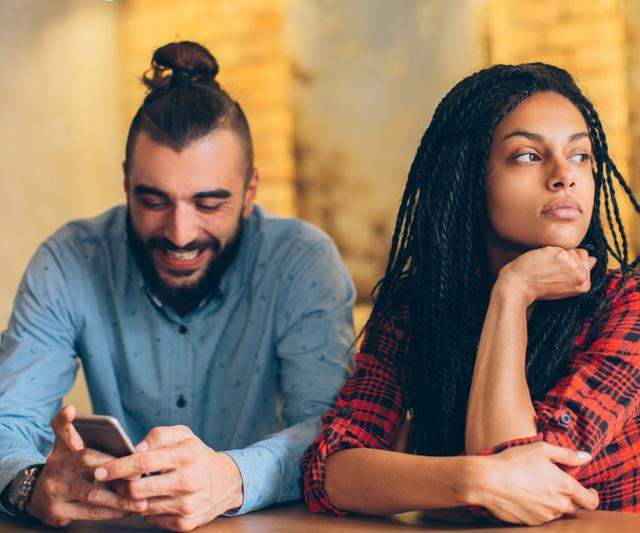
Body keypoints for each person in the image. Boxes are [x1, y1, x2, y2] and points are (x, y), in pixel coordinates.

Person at [0, 41, 355, 531]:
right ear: (126, 185)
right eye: (153, 201)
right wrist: (31, 483)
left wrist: (228, 478)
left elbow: (332, 431)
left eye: (208, 204)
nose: (180, 233)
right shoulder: (69, 260)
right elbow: (6, 420)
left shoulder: (300, 261)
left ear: (250, 191)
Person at [302, 63, 640, 526]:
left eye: (580, 155)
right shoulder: (415, 305)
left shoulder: (626, 305)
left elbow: (527, 483)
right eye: (527, 155)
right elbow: (331, 471)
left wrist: (512, 293)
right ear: (470, 179)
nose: (565, 176)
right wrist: (472, 480)